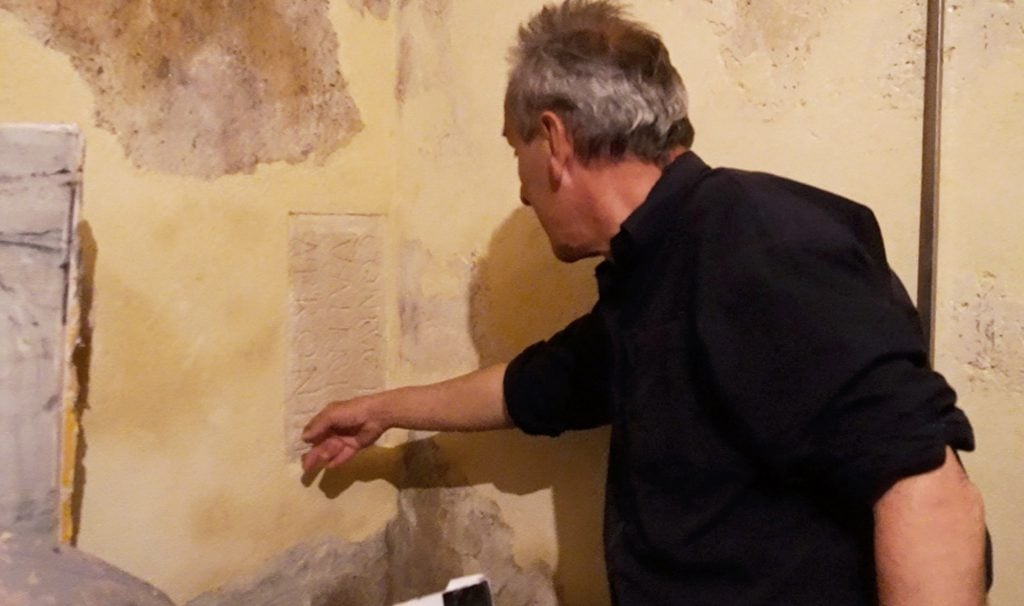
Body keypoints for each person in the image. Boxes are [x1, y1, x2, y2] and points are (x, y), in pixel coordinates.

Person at [301, 1, 989, 604]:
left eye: (517, 154)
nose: (521, 192)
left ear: (556, 141)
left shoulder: (759, 238)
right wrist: (380, 410)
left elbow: (927, 488)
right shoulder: (652, 269)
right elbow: (532, 388)